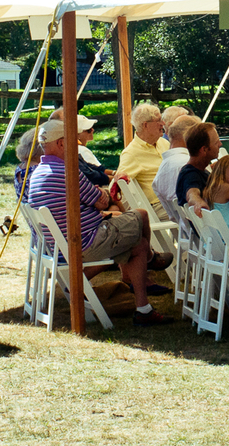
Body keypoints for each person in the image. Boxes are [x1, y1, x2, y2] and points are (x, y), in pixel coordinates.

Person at [25, 111, 166, 323]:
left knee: (136, 245)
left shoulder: (39, 172)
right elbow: (100, 199)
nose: (76, 146)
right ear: (62, 144)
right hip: (85, 243)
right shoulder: (66, 171)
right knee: (141, 216)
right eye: (73, 142)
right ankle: (150, 259)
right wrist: (100, 197)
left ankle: (143, 308)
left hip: (61, 245)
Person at [114, 101, 169, 189]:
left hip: (175, 197)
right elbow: (116, 186)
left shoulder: (164, 143)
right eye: (158, 120)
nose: (163, 123)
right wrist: (120, 176)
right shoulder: (131, 153)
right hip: (158, 202)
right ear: (145, 125)